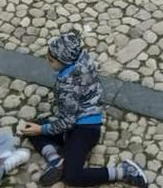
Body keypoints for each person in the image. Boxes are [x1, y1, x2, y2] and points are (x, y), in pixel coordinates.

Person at [18, 32, 147, 186]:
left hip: (85, 131)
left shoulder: (67, 86)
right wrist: (41, 129)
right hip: (77, 126)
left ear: (63, 62)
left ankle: (124, 171)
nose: (47, 61)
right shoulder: (82, 60)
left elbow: (67, 121)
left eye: (51, 60)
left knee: (72, 176)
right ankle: (55, 160)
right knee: (32, 128)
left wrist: (41, 130)